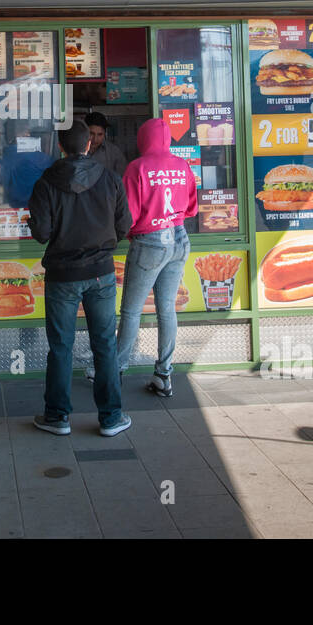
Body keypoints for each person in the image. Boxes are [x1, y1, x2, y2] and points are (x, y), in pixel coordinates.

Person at [27, 119, 133, 437]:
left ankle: (57, 417)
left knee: (61, 346)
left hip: (62, 275)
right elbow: (124, 227)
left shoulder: (46, 182)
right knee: (105, 345)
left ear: (60, 146)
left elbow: (41, 234)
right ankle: (111, 417)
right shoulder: (112, 180)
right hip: (100, 273)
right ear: (88, 144)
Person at [115, 117, 198, 398]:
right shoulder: (182, 166)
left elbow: (128, 215)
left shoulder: (137, 167)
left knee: (131, 311)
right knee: (167, 310)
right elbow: (191, 208)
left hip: (149, 242)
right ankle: (164, 374)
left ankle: (115, 370)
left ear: (143, 139)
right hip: (179, 237)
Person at [0, 121, 55, 209]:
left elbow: (4, 182)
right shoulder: (43, 159)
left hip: (14, 206)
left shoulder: (7, 155)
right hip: (38, 206)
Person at [84, 111, 127, 178]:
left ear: (104, 134)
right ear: (85, 131)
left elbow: (121, 180)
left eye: (100, 134)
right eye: (91, 134)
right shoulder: (76, 149)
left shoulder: (114, 152)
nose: (95, 139)